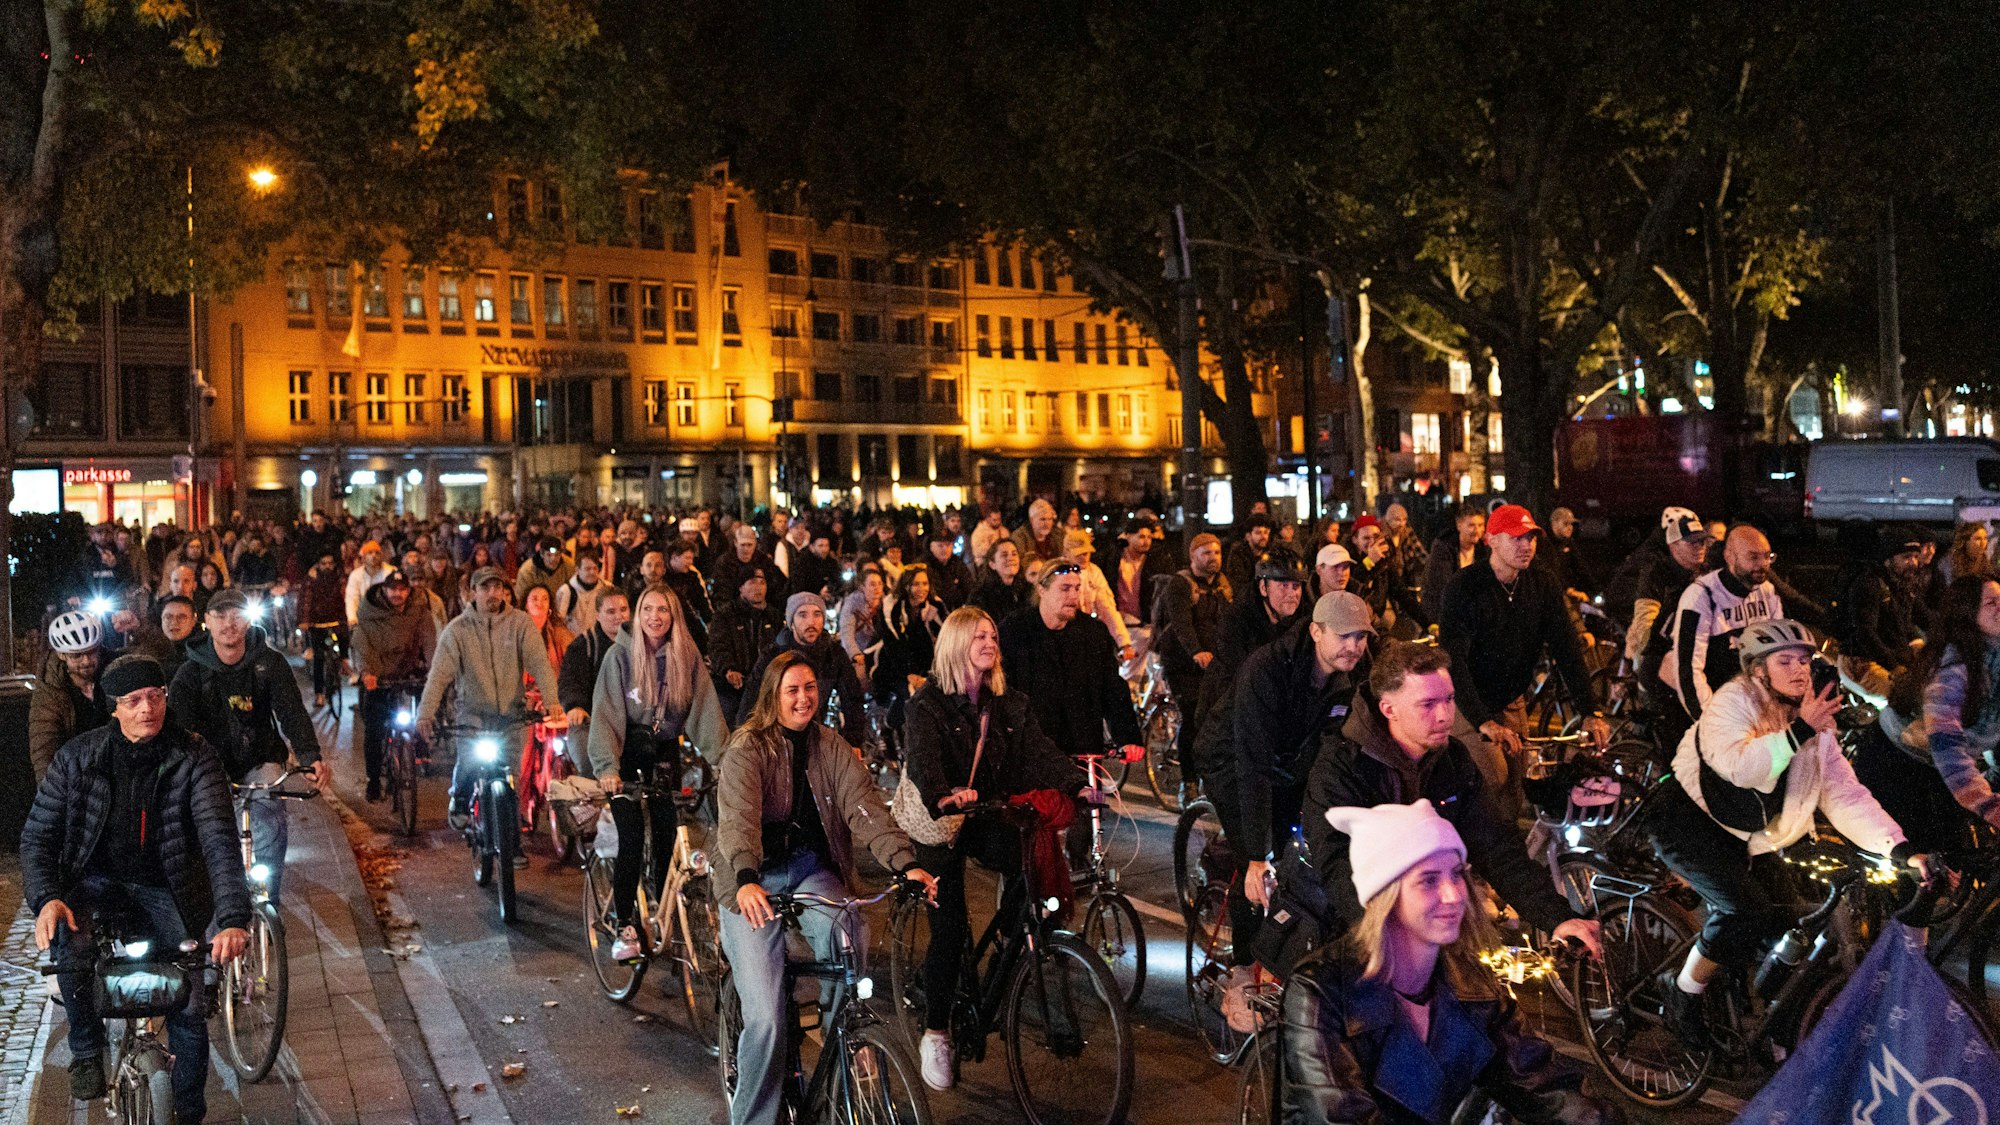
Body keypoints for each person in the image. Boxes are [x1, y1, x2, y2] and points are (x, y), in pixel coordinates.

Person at [1647, 619, 1930, 1046]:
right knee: (1743, 911)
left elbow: (1843, 795)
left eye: (1805, 659)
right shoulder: (1732, 702)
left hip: (1752, 835)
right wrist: (1799, 731)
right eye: (1785, 661)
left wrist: (1900, 850)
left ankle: (1768, 1019)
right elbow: (1741, 769)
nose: (1800, 669)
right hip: (1689, 822)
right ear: (1758, 671)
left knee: (1791, 919)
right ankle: (1682, 992)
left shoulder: (1811, 719)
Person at [1282, 799, 1622, 1125]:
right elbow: (1338, 1114)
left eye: (1457, 874)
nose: (1454, 894)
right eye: (1429, 880)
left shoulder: (1472, 982)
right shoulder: (1320, 991)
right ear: (1384, 896)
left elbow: (1539, 1084)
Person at [23, 655, 253, 1123]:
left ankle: (187, 1110)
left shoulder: (194, 755)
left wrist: (232, 918)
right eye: (133, 700)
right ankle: (86, 1050)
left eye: (155, 696)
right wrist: (47, 898)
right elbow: (38, 836)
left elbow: (217, 837)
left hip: (168, 886)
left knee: (188, 1002)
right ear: (114, 708)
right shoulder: (77, 758)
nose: (147, 708)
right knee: (73, 949)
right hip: (94, 883)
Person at [714, 653, 935, 1125]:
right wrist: (746, 879)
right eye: (792, 689)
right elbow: (737, 822)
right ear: (773, 695)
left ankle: (847, 1041)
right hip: (750, 880)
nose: (803, 698)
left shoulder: (829, 744)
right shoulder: (747, 747)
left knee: (850, 925)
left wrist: (906, 863)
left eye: (810, 687)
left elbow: (866, 808)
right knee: (769, 1018)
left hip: (809, 870)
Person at [1303, 641, 1602, 958]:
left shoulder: (1452, 760)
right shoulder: (1342, 769)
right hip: (1342, 934)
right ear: (1388, 709)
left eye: (1448, 699)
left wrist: (1557, 917)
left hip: (1425, 929)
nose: (1445, 715)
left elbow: (1495, 846)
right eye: (1428, 704)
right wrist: (1395, 939)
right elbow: (1337, 868)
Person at [902, 607, 1085, 1090]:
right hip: (938, 821)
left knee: (1029, 868)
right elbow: (923, 762)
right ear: (957, 643)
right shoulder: (928, 705)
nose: (989, 641)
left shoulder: (1008, 703)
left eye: (993, 634)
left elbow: (1038, 751)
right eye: (979, 635)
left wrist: (1075, 783)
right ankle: (936, 1031)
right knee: (948, 922)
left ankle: (1012, 943)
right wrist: (943, 792)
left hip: (981, 813)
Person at [1195, 593, 1375, 1011]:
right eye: (1344, 636)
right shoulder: (1267, 668)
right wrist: (1257, 855)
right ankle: (1241, 974)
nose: (1354, 646)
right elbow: (1251, 761)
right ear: (1315, 631)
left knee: (1309, 854)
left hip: (1292, 762)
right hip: (1233, 759)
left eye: (1361, 637)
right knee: (1256, 863)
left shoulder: (1356, 670)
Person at [590, 586, 730, 962]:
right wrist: (606, 768)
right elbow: (605, 716)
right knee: (632, 838)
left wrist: (725, 759)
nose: (655, 617)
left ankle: (661, 908)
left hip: (665, 751)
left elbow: (704, 710)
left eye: (663, 610)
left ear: (674, 616)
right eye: (647, 609)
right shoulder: (619, 656)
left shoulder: (686, 656)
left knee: (669, 837)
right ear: (637, 615)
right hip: (624, 755)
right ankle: (624, 924)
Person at [1437, 505, 1610, 807]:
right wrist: (1482, 721)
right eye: (1516, 538)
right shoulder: (1465, 586)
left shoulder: (1542, 582)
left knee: (1521, 790)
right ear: (1491, 540)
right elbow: (1454, 660)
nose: (1526, 546)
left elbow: (1565, 648)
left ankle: (1507, 850)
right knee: (1493, 777)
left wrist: (1590, 711)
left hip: (1512, 699)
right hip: (1468, 701)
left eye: (1530, 538)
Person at [168, 589, 325, 905]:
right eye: (221, 616)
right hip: (209, 767)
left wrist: (310, 756)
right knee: (212, 841)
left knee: (269, 827)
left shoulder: (269, 663)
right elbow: (180, 733)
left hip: (260, 757)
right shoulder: (189, 673)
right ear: (207, 623)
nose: (230, 623)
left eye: (237, 615)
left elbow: (290, 711)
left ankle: (269, 901)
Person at [998, 562, 1144, 865]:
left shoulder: (1092, 632)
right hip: (1034, 743)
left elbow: (1112, 688)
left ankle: (1079, 863)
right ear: (1042, 590)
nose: (1073, 596)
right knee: (1037, 822)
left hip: (1082, 738)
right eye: (1065, 588)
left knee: (1087, 811)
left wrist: (1128, 736)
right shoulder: (1015, 630)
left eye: (1078, 588)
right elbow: (1003, 690)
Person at [1856, 574, 2000, 852]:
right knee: (1932, 867)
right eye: (1991, 603)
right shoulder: (1955, 667)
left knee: (1965, 855)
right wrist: (1985, 803)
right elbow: (1946, 743)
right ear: (1966, 613)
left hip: (1942, 771)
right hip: (1899, 766)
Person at [417, 567, 561, 829]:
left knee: (512, 777)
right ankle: (459, 797)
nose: (492, 593)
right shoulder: (457, 630)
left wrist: (553, 700)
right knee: (469, 763)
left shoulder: (520, 623)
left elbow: (539, 663)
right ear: (473, 592)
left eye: (498, 588)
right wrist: (425, 713)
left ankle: (512, 842)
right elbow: (439, 675)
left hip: (511, 714)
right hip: (472, 712)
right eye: (485, 588)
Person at [1668, 524, 1785, 723]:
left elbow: (1778, 650)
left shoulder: (1767, 591)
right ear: (1730, 556)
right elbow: (1689, 669)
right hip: (1715, 702)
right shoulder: (1701, 597)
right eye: (1753, 557)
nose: (1763, 564)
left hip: (1753, 704)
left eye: (1767, 556)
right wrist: (1710, 723)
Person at [739, 592, 870, 744]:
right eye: (802, 615)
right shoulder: (773, 655)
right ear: (791, 623)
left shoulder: (833, 654)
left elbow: (852, 697)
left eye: (817, 614)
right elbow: (752, 699)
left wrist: (853, 741)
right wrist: (746, 743)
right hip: (777, 737)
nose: (811, 622)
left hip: (815, 735)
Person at [352, 572, 438, 802]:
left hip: (407, 673)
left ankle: (420, 745)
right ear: (384, 589)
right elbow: (362, 644)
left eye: (402, 589)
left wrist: (433, 669)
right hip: (378, 677)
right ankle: (373, 781)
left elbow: (429, 641)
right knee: (374, 729)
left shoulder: (419, 613)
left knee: (422, 709)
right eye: (393, 589)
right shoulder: (370, 613)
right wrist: (367, 672)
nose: (397, 594)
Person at [1198, 552, 1308, 725]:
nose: (1292, 593)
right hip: (1226, 709)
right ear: (1263, 588)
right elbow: (1238, 675)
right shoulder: (1235, 621)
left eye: (1296, 586)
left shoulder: (1303, 621)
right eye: (1283, 585)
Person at [1152, 531, 1233, 761]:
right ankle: (1187, 782)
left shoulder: (1223, 585)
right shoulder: (1180, 584)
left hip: (1213, 663)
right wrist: (1196, 651)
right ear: (1193, 555)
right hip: (1182, 662)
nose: (1213, 557)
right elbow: (1181, 623)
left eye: (1216, 552)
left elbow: (1229, 622)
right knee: (1193, 715)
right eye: (1206, 552)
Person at [1831, 525, 1927, 703]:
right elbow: (1865, 633)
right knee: (1905, 701)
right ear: (1887, 560)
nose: (1913, 563)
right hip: (1861, 663)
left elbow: (1909, 622)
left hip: (1890, 658)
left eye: (1915, 556)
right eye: (1906, 557)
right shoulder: (1869, 584)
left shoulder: (1902, 584)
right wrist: (1895, 667)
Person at [557, 586, 631, 775]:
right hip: (593, 722)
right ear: (598, 615)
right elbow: (569, 681)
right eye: (611, 611)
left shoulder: (642, 643)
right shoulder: (584, 645)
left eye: (623, 610)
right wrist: (575, 706)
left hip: (632, 723)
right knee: (588, 762)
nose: (619, 616)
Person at [30, 611, 111, 782]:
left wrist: (140, 628)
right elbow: (44, 746)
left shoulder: (113, 669)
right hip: (77, 778)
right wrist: (50, 793)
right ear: (62, 655)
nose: (86, 661)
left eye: (91, 652)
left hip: (115, 771)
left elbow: (158, 655)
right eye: (77, 655)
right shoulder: (50, 690)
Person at [707, 564, 785, 721]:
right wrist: (728, 669)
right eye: (752, 583)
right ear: (741, 588)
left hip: (764, 686)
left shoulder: (773, 616)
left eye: (762, 583)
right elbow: (718, 646)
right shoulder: (726, 615)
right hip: (733, 688)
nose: (758, 588)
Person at [876, 564, 947, 732]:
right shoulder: (893, 607)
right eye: (916, 584)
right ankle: (887, 727)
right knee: (910, 696)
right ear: (906, 585)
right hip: (892, 663)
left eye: (925, 584)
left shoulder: (935, 606)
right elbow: (892, 644)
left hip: (925, 664)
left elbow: (945, 637)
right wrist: (908, 674)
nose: (921, 589)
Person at [1347, 515, 1424, 632]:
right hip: (1353, 626)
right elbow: (1351, 586)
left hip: (1377, 624)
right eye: (1366, 538)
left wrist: (1427, 623)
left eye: (1376, 536)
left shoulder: (1384, 562)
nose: (1372, 542)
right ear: (1355, 540)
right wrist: (1369, 562)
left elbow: (1402, 594)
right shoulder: (1347, 561)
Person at [1420, 507, 1485, 623]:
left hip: (1468, 607)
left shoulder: (1481, 549)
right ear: (1459, 525)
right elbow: (1444, 586)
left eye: (1481, 525)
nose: (1477, 530)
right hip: (1440, 609)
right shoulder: (1443, 547)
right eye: (1471, 525)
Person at [300, 550, 347, 708]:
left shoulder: (340, 579)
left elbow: (345, 597)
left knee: (343, 647)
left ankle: (344, 667)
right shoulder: (311, 579)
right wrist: (305, 621)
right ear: (319, 565)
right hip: (317, 622)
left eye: (330, 563)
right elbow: (305, 600)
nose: (327, 566)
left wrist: (348, 617)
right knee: (319, 658)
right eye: (324, 563)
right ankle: (319, 693)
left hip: (336, 620)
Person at [838, 564, 887, 684]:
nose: (877, 588)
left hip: (881, 651)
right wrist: (855, 654)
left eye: (880, 584)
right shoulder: (852, 605)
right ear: (862, 587)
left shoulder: (887, 603)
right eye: (872, 584)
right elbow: (847, 631)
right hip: (860, 651)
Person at [710, 525, 777, 611]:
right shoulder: (724, 562)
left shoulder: (764, 561)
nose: (746, 549)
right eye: (743, 545)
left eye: (749, 545)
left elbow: (773, 589)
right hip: (733, 610)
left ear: (755, 544)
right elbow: (721, 594)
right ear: (735, 543)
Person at [968, 539, 1034, 622]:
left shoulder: (1028, 589)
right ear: (992, 564)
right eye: (1004, 555)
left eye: (1014, 554)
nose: (1011, 558)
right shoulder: (981, 595)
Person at [522, 583, 575, 681]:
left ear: (549, 606)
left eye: (545, 599)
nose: (539, 603)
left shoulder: (560, 634)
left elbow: (574, 666)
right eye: (535, 598)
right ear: (526, 605)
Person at [555, 551, 611, 636]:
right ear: (577, 570)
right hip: (574, 642)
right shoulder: (566, 591)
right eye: (587, 569)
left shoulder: (607, 588)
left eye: (595, 568)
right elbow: (559, 623)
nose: (592, 572)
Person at [344, 539, 393, 627]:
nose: (373, 556)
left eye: (377, 553)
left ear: (381, 556)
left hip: (386, 619)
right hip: (364, 619)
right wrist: (352, 618)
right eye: (370, 553)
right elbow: (351, 598)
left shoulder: (390, 572)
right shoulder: (355, 575)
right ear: (363, 557)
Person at [921, 530, 973, 610]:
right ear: (931, 547)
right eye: (940, 546)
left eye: (948, 545)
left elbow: (969, 588)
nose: (945, 549)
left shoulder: (957, 563)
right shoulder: (923, 565)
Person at [1224, 514, 1276, 592]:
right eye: (1258, 533)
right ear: (1248, 536)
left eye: (1266, 533)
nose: (1263, 537)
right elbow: (1239, 584)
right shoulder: (1239, 553)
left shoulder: (1272, 552)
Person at [1010, 498, 1063, 565]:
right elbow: (1022, 563)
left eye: (1050, 519)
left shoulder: (1057, 534)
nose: (1047, 523)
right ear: (1032, 520)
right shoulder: (1019, 536)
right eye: (1042, 519)